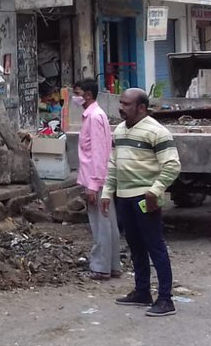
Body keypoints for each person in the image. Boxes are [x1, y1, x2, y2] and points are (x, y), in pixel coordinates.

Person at [100, 88, 181, 317]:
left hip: (145, 198)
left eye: (126, 104)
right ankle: (142, 291)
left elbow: (172, 165)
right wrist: (107, 192)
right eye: (121, 103)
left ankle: (165, 299)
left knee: (155, 246)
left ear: (142, 107)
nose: (121, 108)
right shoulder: (120, 130)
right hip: (124, 198)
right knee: (135, 246)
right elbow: (113, 164)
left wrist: (155, 191)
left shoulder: (157, 131)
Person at [73, 78, 121, 280]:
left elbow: (100, 153)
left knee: (101, 223)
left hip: (97, 180)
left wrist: (93, 185)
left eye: (77, 93)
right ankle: (112, 265)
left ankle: (101, 267)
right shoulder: (94, 116)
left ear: (88, 95)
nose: (75, 97)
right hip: (98, 178)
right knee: (108, 222)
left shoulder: (94, 118)